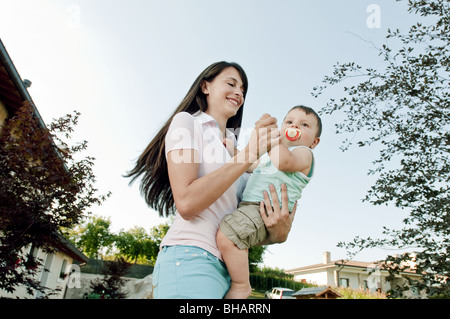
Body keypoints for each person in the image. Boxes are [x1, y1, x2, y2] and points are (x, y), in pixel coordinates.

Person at [126, 61, 296, 299]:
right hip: (191, 257)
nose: (239, 92)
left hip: (229, 271)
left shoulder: (235, 151)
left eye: (243, 90)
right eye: (231, 83)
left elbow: (243, 224)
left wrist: (278, 232)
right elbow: (186, 203)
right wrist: (250, 153)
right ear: (205, 86)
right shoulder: (187, 123)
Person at [217, 105, 322, 299]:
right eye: (289, 122)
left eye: (304, 124)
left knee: (228, 236)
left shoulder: (304, 153)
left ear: (314, 142)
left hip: (263, 210)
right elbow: (251, 165)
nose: (295, 126)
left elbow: (283, 161)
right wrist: (234, 151)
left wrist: (272, 136)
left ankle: (241, 285)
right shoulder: (273, 157)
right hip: (250, 208)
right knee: (230, 237)